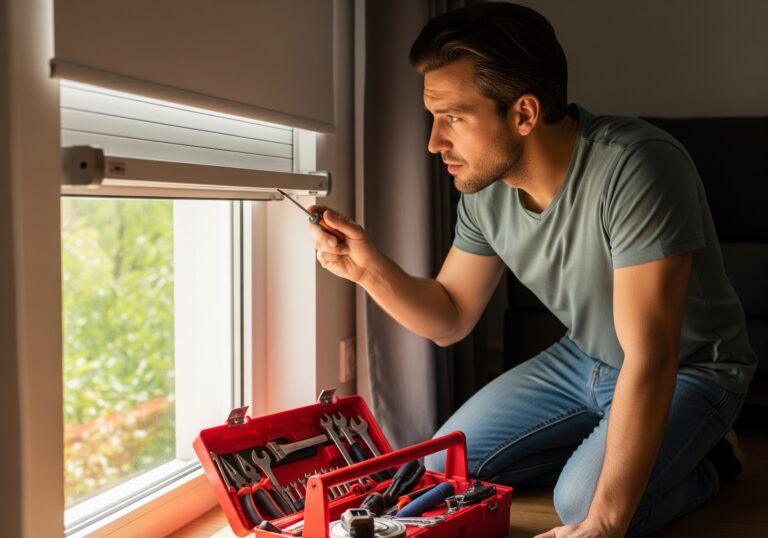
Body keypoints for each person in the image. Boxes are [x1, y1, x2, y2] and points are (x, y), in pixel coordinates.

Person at [307, 3, 756, 537]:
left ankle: (713, 462)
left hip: (686, 367)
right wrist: (367, 270)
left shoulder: (638, 166)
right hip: (584, 356)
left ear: (523, 113)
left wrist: (606, 523)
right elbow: (451, 316)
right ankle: (623, 446)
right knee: (439, 468)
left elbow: (651, 354)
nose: (434, 142)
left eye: (452, 116)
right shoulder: (485, 190)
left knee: (583, 506)